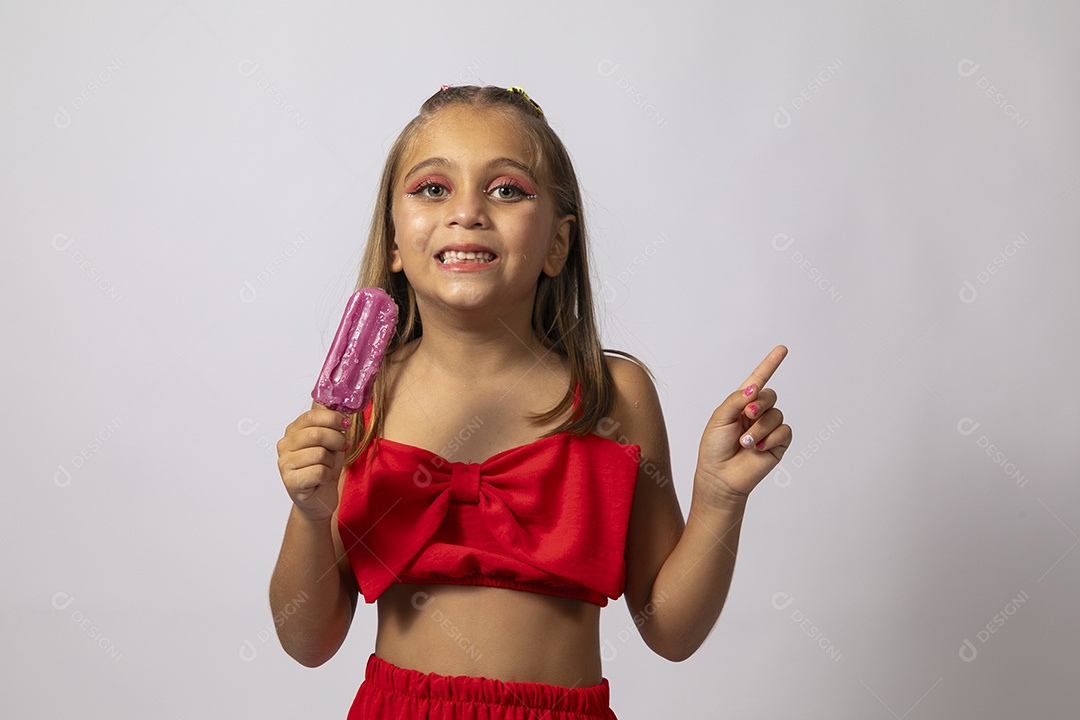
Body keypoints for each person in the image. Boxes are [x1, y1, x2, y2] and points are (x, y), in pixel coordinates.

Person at [270, 84, 791, 720]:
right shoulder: (362, 403)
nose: (467, 212)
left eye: (507, 189)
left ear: (557, 244)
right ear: (395, 243)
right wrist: (309, 511)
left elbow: (671, 632)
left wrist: (720, 497)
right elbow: (307, 641)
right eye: (433, 188)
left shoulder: (614, 396)